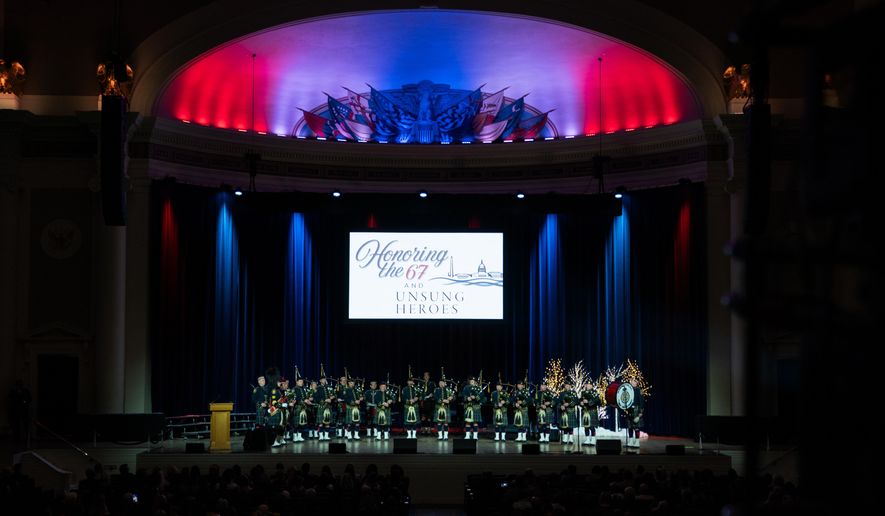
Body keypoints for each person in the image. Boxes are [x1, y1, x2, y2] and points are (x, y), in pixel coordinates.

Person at [622, 379, 645, 448]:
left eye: (634, 382)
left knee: (636, 427)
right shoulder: (628, 390)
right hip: (629, 410)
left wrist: (640, 412)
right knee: (630, 427)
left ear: (636, 383)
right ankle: (631, 441)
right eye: (631, 382)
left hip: (636, 409)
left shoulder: (638, 391)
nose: (632, 383)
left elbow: (641, 402)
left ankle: (637, 442)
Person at [290, 377, 308, 442]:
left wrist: (307, 400)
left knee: (302, 422)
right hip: (297, 407)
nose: (301, 382)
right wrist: (302, 400)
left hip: (303, 408)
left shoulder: (303, 389)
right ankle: (295, 437)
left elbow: (305, 397)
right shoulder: (294, 389)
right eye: (300, 381)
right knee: (296, 423)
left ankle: (299, 436)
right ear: (297, 382)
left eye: (302, 381)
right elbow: (293, 399)